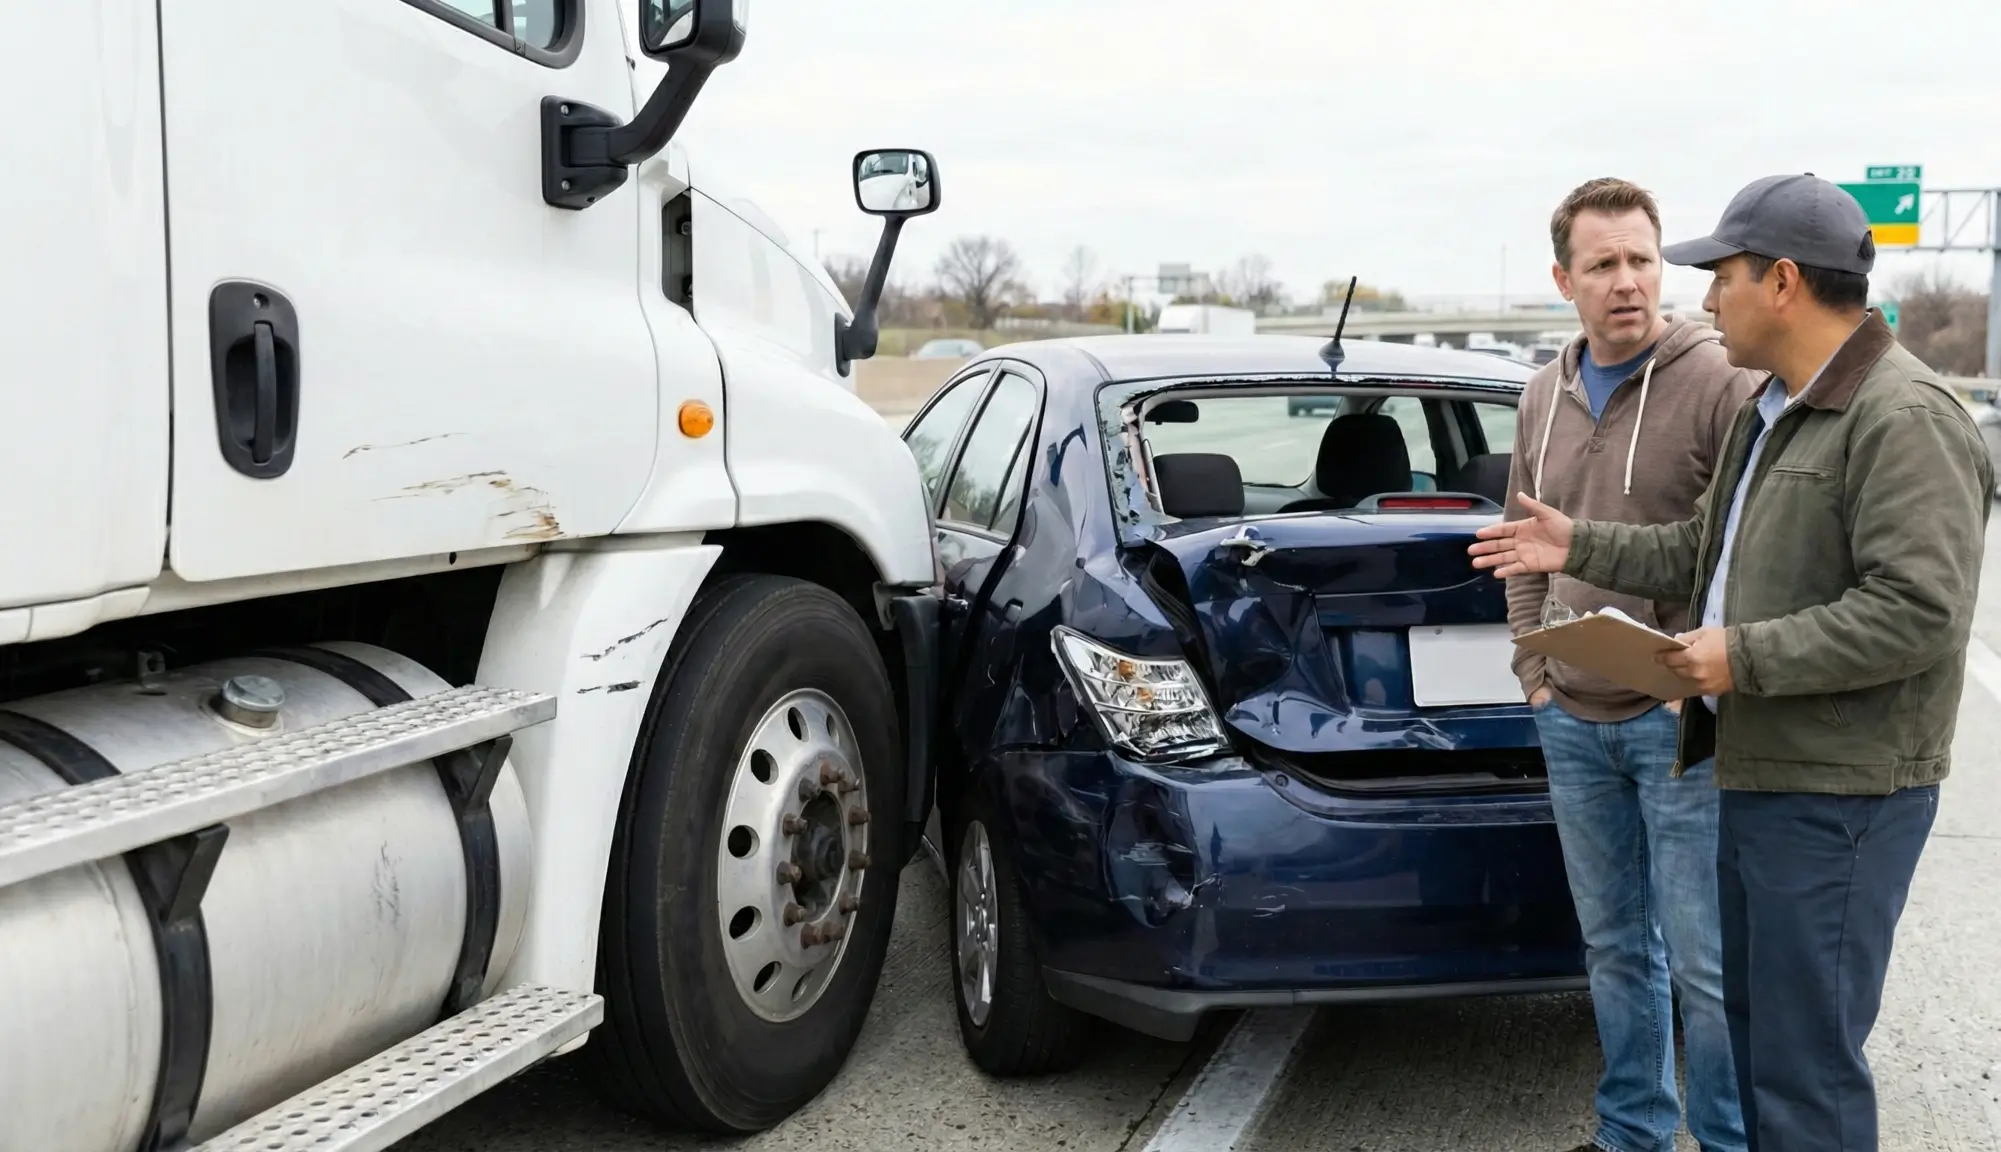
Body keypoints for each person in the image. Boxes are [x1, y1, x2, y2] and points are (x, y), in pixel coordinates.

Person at [1471, 173, 1994, 1152]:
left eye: (1722, 277)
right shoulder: (1778, 410)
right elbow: (1698, 555)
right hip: (1759, 767)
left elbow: (1919, 612)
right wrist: (1576, 547)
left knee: (1804, 1074)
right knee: (1764, 1054)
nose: (1702, 299)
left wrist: (1734, 658)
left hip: (1840, 792)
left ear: (1782, 282)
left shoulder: (1902, 416)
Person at [1508, 177, 1758, 1152]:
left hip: (1680, 721)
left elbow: (1749, 549)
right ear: (1563, 279)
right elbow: (1522, 544)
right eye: (1603, 263)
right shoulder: (1541, 394)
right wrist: (1534, 678)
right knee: (1614, 948)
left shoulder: (1720, 382)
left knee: (1705, 961)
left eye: (1641, 260)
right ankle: (1632, 1133)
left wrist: (1702, 676)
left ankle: (1728, 1141)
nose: (1627, 281)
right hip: (1571, 720)